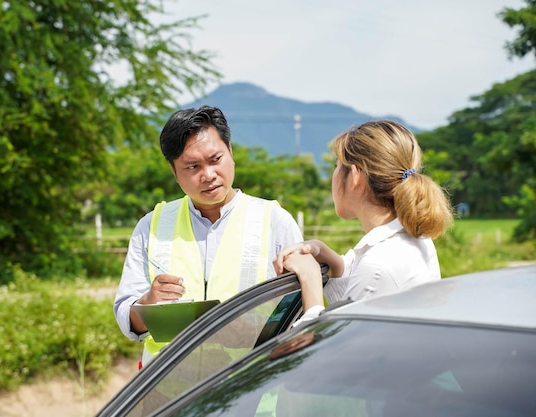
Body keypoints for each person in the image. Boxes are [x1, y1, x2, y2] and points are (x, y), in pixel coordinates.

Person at [114, 105, 303, 367]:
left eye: (216, 160)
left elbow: (301, 306)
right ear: (174, 171)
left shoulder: (274, 220)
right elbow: (127, 316)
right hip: (168, 393)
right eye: (193, 166)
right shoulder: (152, 226)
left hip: (248, 388)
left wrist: (255, 328)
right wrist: (148, 302)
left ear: (230, 153)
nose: (209, 175)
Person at [274, 120, 454, 321]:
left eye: (336, 166)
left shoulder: (379, 265)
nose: (333, 175)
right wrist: (330, 258)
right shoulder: (411, 239)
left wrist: (310, 281)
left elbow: (335, 348)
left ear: (355, 176)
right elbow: (358, 302)